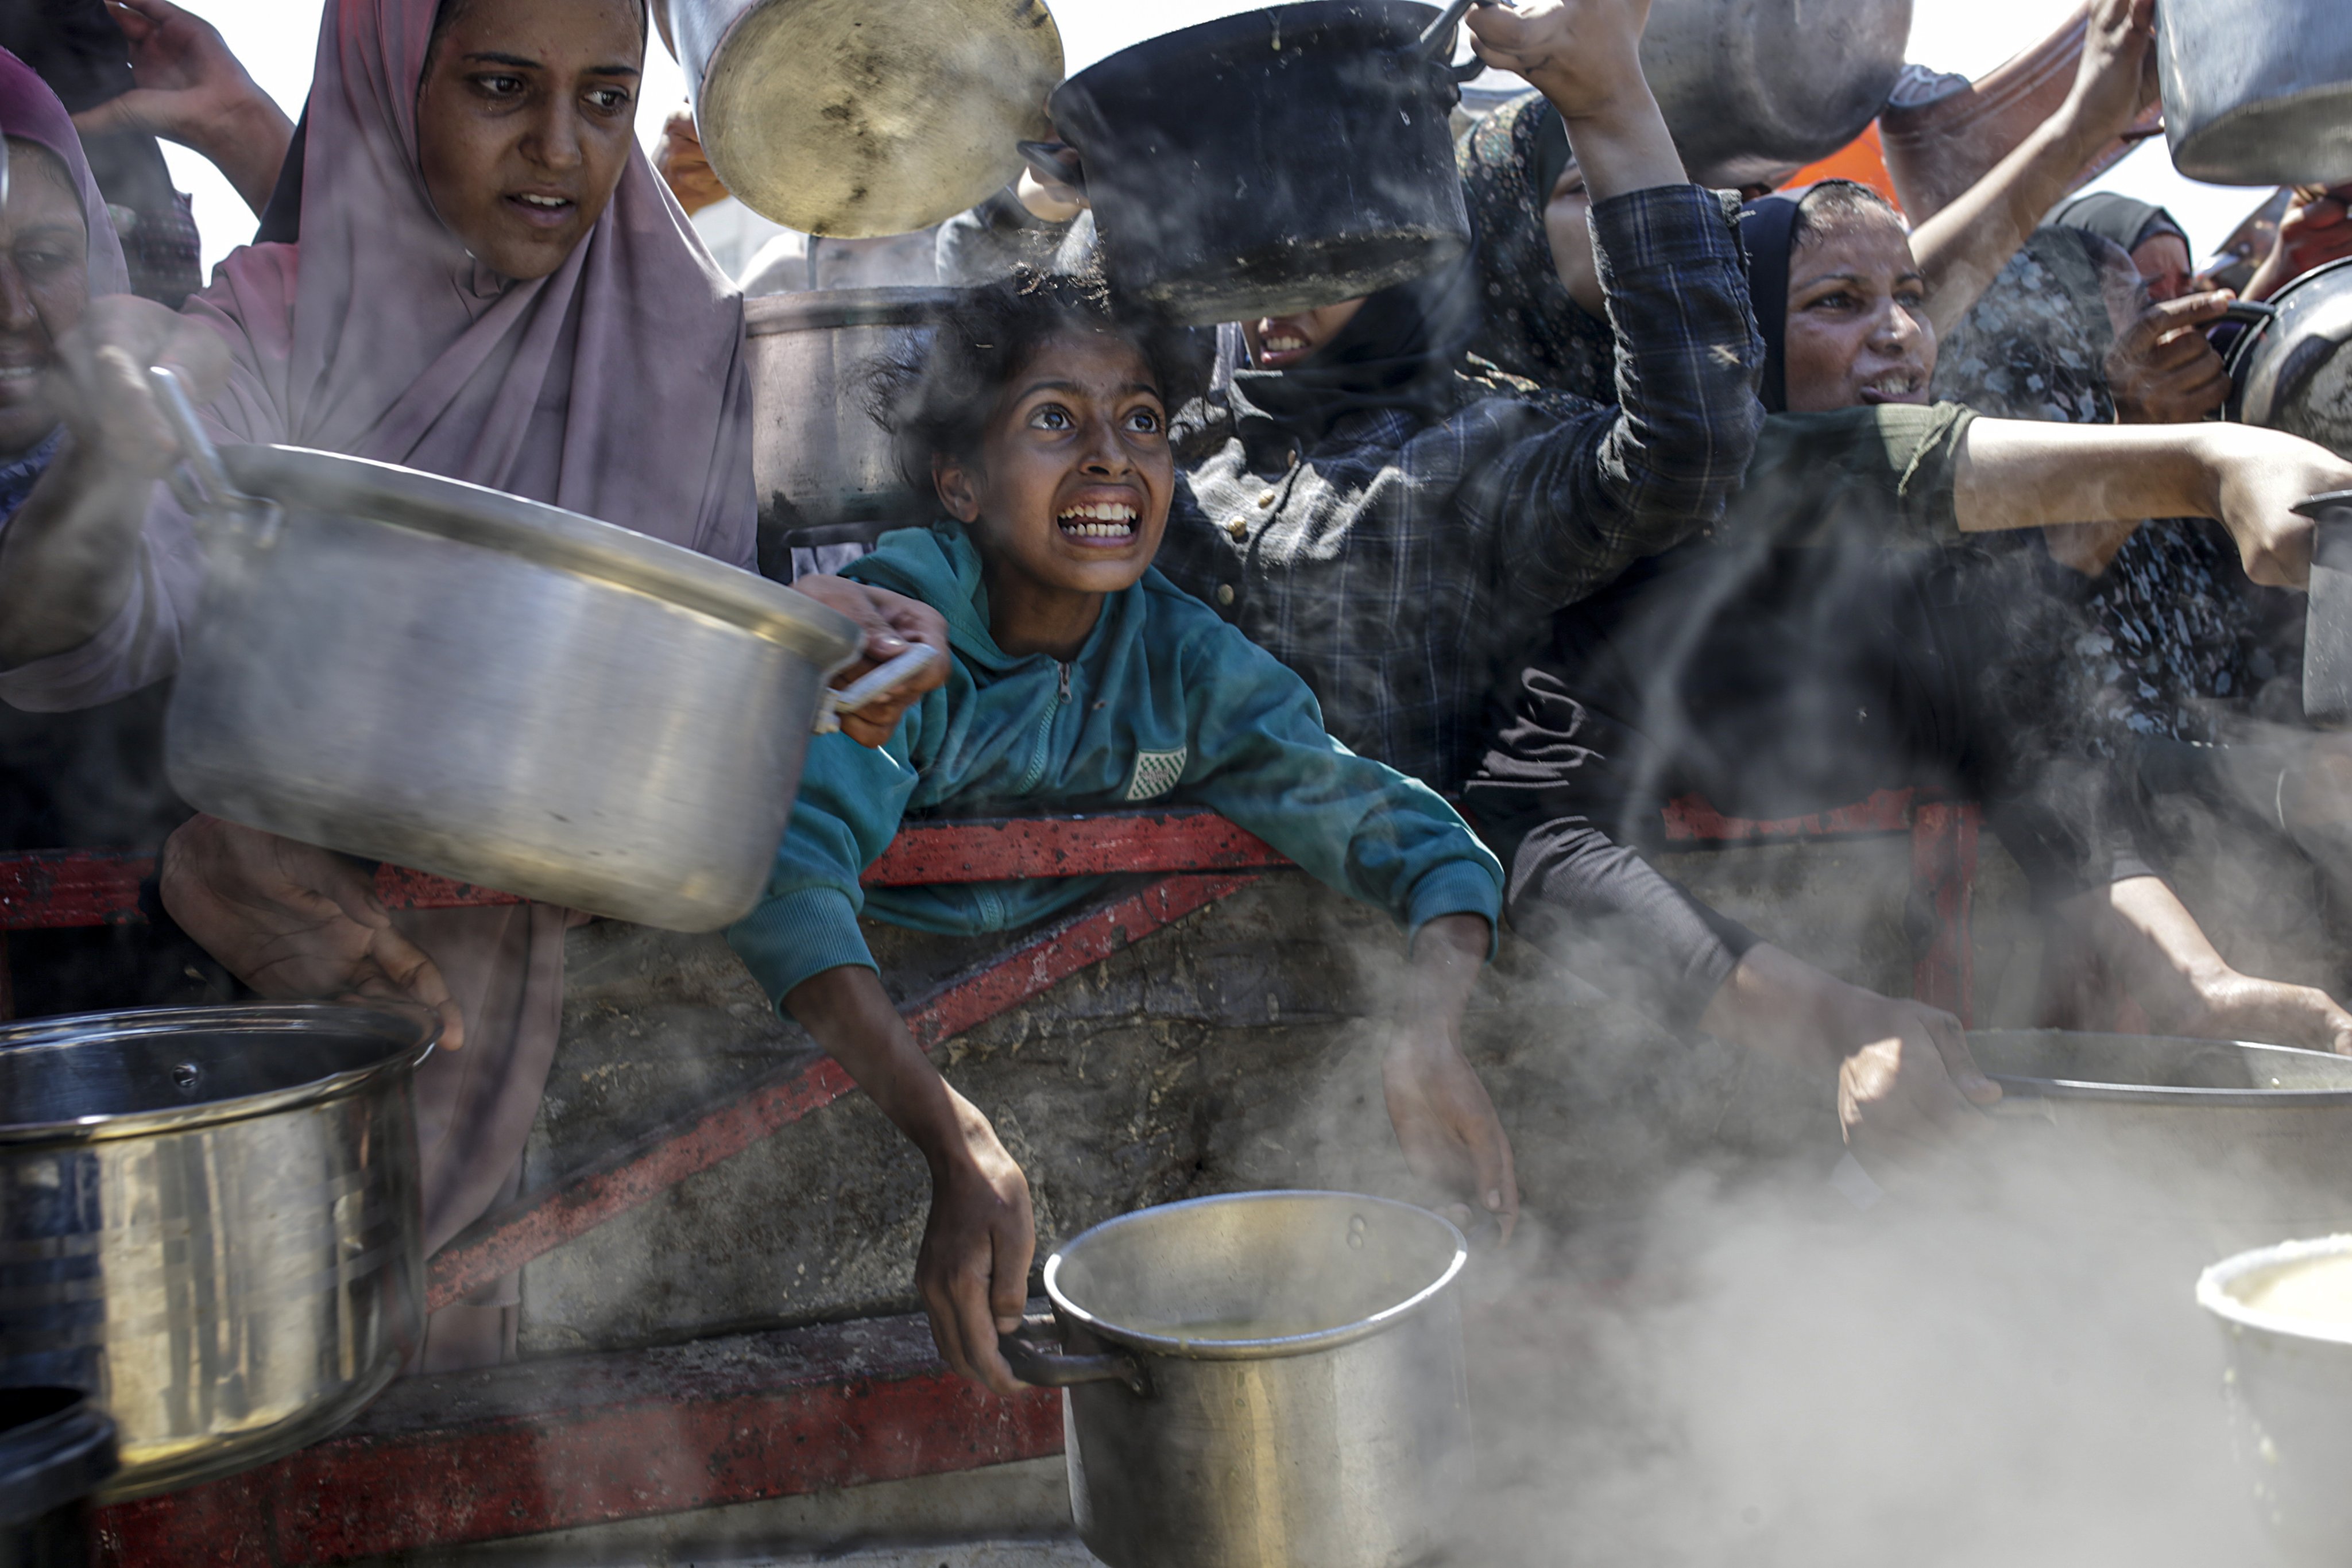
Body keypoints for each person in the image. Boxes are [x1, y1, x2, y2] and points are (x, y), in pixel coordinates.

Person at [0, 0, 949, 1369]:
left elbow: (651, 641)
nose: (557, 150)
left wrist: (808, 643)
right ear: (392, 79)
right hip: (254, 1039)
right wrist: (108, 460)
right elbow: (55, 623)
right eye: (500, 87)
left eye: (608, 99)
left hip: (553, 1020)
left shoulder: (682, 332)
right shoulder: (271, 319)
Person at [1464, 178, 2352, 1174]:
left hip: (1902, 1137)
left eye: (1911, 297)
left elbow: (2049, 777)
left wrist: (2198, 983)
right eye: (1836, 303)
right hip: (1640, 1158)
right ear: (1740, 343)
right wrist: (1832, 1021)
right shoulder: (1630, 561)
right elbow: (1542, 842)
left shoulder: (1951, 570)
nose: (1898, 334)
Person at [729, 273, 1515, 1392]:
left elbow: (1412, 838)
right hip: (831, 1079)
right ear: (957, 480)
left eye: (1140, 421)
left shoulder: (1182, 657)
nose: (1109, 456)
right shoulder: (901, 623)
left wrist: (1428, 1027)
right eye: (1053, 420)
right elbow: (788, 870)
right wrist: (955, 1142)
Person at [1148, 0, 1764, 793]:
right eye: (1249, 261)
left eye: (1320, 255)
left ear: (1403, 248)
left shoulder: (1477, 452)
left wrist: (1612, 105)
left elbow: (1690, 446)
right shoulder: (1181, 447)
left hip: (1394, 908)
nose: (1275, 299)